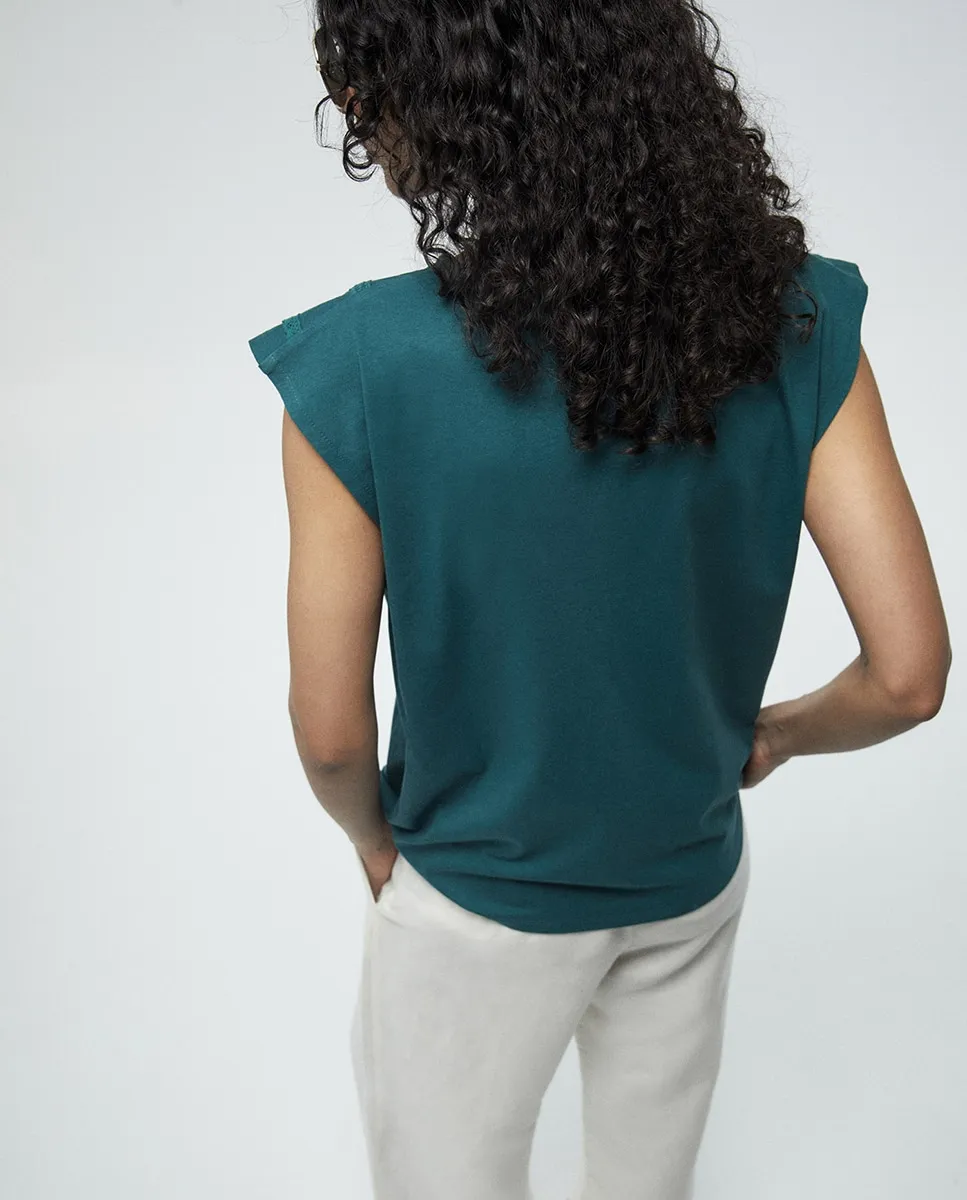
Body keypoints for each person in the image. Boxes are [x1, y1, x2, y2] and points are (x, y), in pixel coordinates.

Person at [247, 3, 953, 1197]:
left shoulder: (363, 361)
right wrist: (774, 736)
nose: (358, 113)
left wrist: (370, 838)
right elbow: (908, 675)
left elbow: (328, 733)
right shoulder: (796, 321)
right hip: (687, 882)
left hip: (473, 900)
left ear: (447, 101)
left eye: (367, 81)